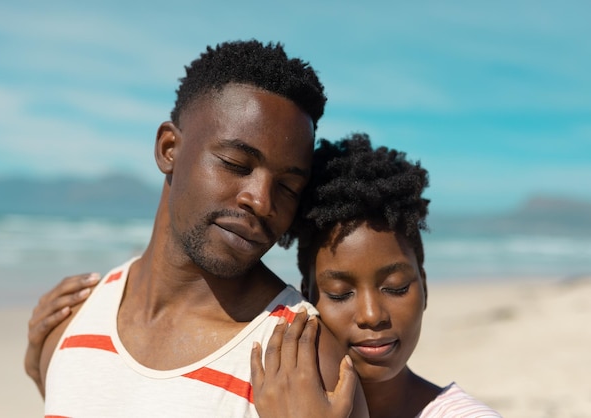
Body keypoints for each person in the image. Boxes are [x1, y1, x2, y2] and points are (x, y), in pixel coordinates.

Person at [27, 39, 368, 418]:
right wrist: (43, 366)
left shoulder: (302, 363)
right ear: (169, 148)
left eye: (288, 187)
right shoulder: (71, 323)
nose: (261, 201)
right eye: (236, 163)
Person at [250, 134, 502, 417]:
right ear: (308, 297)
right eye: (340, 293)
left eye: (396, 287)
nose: (371, 315)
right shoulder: (266, 400)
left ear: (425, 288)